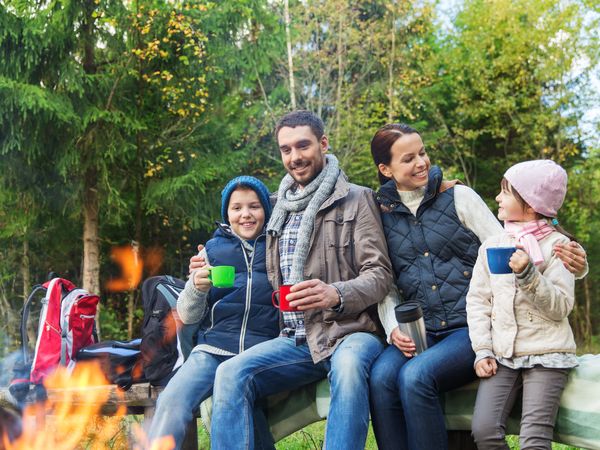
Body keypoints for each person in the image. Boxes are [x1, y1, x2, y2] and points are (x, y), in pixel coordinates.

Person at [367, 124, 588, 450]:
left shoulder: (459, 196)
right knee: (382, 378)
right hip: (420, 330)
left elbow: (507, 247)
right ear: (386, 170)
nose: (421, 163)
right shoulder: (379, 213)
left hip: (468, 327)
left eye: (423, 153)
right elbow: (384, 281)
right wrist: (391, 328)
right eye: (408, 158)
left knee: (415, 378)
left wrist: (575, 264)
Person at [208, 110, 393, 450]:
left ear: (323, 143)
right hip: (296, 339)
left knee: (350, 369)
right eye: (286, 149)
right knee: (230, 374)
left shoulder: (357, 198)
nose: (294, 157)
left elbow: (380, 274)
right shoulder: (278, 207)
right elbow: (237, 234)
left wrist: (335, 293)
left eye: (303, 145)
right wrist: (202, 264)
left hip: (351, 332)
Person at [148, 176, 280, 450]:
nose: (245, 214)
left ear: (266, 209)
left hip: (261, 350)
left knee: (237, 401)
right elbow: (186, 314)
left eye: (254, 206)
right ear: (226, 213)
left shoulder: (279, 245)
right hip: (213, 348)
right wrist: (196, 287)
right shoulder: (212, 250)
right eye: (237, 208)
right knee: (172, 400)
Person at [467, 160, 577, 449]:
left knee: (534, 440)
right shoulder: (492, 245)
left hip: (547, 353)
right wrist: (482, 350)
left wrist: (529, 274)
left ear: (530, 203)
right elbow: (478, 301)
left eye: (506, 192)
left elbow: (560, 306)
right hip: (503, 354)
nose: (497, 197)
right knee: (483, 430)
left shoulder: (558, 246)